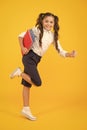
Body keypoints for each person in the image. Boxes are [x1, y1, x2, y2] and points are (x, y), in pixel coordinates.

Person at [10, 12, 76, 121]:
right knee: (37, 82)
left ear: (54, 24)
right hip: (29, 57)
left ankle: (26, 109)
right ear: (42, 21)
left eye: (51, 22)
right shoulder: (37, 30)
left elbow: (60, 50)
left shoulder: (53, 36)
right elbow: (20, 36)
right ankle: (19, 73)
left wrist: (69, 54)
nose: (48, 24)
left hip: (36, 60)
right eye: (46, 21)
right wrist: (22, 47)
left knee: (27, 85)